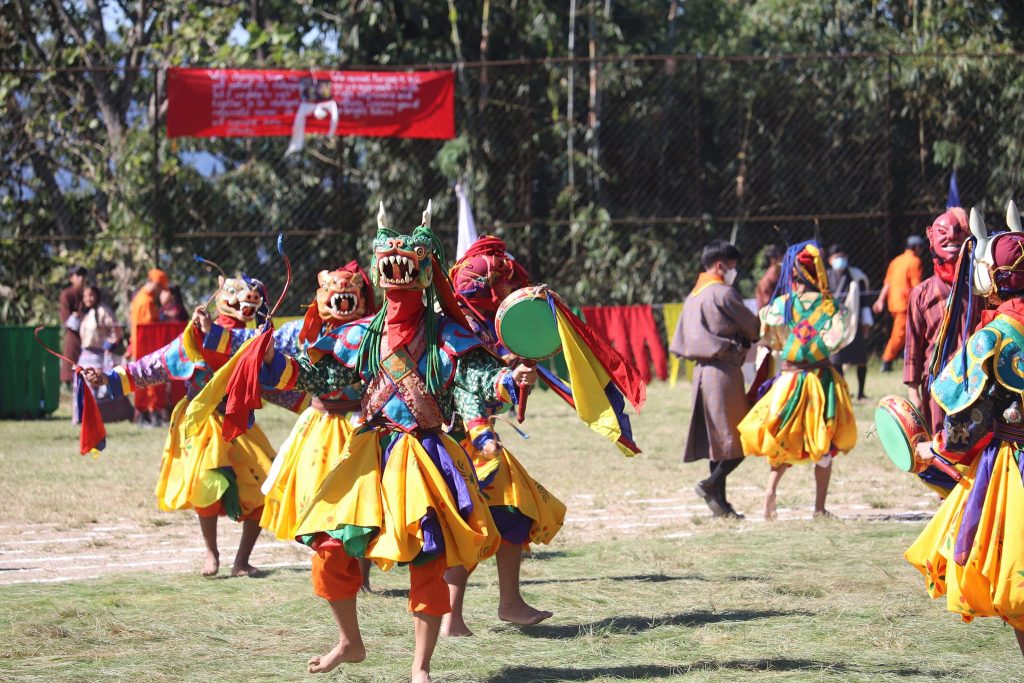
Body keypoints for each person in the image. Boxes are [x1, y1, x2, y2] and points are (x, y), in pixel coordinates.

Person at [259, 203, 530, 681]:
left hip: (424, 454)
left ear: (426, 271)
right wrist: (269, 363)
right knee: (329, 545)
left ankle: (420, 668)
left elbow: (476, 379)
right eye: (389, 259)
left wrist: (508, 381)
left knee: (427, 556)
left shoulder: (446, 334)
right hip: (369, 452)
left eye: (409, 260)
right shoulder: (361, 334)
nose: (398, 267)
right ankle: (349, 642)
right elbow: (320, 376)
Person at [83, 273, 306, 578]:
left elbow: (279, 383)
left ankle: (241, 560)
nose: (246, 300)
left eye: (253, 296)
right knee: (208, 482)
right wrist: (107, 378)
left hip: (238, 420)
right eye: (238, 294)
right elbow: (152, 366)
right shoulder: (195, 338)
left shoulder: (256, 343)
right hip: (201, 423)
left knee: (265, 488)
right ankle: (211, 552)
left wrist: (315, 404)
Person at [904, 228, 1024, 656]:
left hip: (1013, 469)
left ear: (994, 278)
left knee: (1017, 586)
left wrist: (933, 451)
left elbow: (970, 421)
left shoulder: (993, 337)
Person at [441, 236, 567, 636]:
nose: (511, 293)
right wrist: (487, 420)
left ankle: (504, 604)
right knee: (476, 524)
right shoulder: (455, 329)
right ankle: (454, 617)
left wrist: (514, 374)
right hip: (458, 444)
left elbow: (491, 377)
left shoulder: (480, 326)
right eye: (506, 285)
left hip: (479, 441)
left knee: (510, 515)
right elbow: (467, 384)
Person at [739, 241, 858, 520]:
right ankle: (819, 508)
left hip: (789, 381)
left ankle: (770, 492)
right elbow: (838, 341)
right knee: (825, 443)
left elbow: (769, 340)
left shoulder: (780, 306)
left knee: (784, 439)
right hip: (822, 381)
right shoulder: (830, 307)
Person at [671, 240, 760, 519]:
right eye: (733, 267)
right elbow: (753, 326)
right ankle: (710, 486)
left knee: (717, 442)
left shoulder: (693, 294)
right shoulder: (723, 293)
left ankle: (720, 504)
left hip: (700, 374)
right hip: (723, 372)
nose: (735, 272)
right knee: (739, 439)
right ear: (721, 265)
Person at [72, 284, 132, 423]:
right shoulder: (84, 314)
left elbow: (115, 330)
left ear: (97, 296)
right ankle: (81, 417)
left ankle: (96, 417)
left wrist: (108, 345)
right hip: (84, 355)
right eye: (86, 296)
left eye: (91, 295)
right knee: (82, 385)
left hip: (99, 356)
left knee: (96, 385)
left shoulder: (104, 311)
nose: (88, 298)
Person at [826, 244, 872, 401]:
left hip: (854, 322)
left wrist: (867, 321)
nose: (840, 259)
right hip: (834, 323)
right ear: (829, 259)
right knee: (836, 359)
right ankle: (842, 391)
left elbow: (865, 301)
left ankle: (861, 392)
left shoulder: (856, 276)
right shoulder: (825, 277)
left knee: (860, 359)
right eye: (836, 256)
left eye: (842, 256)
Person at [873, 235, 925, 372]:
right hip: (905, 303)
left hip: (894, 303)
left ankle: (905, 359)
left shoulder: (895, 261)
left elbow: (887, 284)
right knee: (900, 334)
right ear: (916, 248)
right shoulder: (915, 261)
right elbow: (916, 285)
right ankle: (886, 360)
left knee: (907, 333)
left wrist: (880, 300)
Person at [129, 268, 169, 424]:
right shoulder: (146, 301)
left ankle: (150, 413)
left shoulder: (141, 297)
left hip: (142, 345)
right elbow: (150, 326)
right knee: (148, 378)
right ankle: (147, 414)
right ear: (156, 284)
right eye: (161, 288)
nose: (161, 292)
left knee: (145, 378)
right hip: (145, 346)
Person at [59, 265, 87, 389]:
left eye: (83, 275)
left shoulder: (87, 293)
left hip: (87, 334)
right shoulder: (67, 294)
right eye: (78, 275)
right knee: (71, 358)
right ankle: (68, 385)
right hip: (73, 333)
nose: (81, 278)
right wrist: (77, 317)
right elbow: (67, 318)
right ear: (71, 278)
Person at [756, 245, 785, 310]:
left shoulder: (770, 274)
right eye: (781, 258)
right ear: (773, 260)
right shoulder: (773, 273)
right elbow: (767, 301)